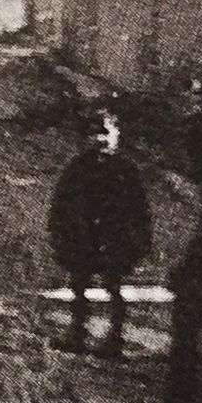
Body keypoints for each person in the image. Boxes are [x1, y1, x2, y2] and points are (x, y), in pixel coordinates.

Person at [47, 104, 154, 357]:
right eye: (95, 134)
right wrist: (61, 230)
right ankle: (77, 332)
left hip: (114, 235)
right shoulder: (79, 167)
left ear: (118, 135)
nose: (101, 139)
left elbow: (138, 207)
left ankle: (115, 336)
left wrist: (138, 237)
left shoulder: (124, 170)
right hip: (83, 233)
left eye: (107, 132)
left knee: (113, 285)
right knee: (79, 283)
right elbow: (62, 201)